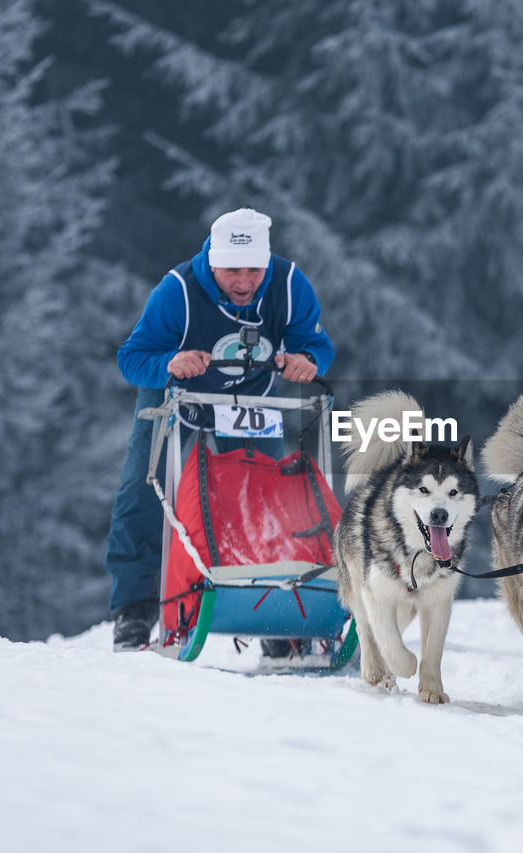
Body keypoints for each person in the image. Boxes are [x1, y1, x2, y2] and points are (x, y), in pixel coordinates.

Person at [105, 208, 334, 651]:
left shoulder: (287, 284)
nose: (245, 282)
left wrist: (308, 361)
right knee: (142, 490)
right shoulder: (178, 291)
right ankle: (134, 609)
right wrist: (168, 363)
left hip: (249, 397)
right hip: (176, 393)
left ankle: (276, 614)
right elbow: (131, 359)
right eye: (232, 270)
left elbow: (317, 345)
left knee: (267, 500)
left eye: (254, 270)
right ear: (212, 261)